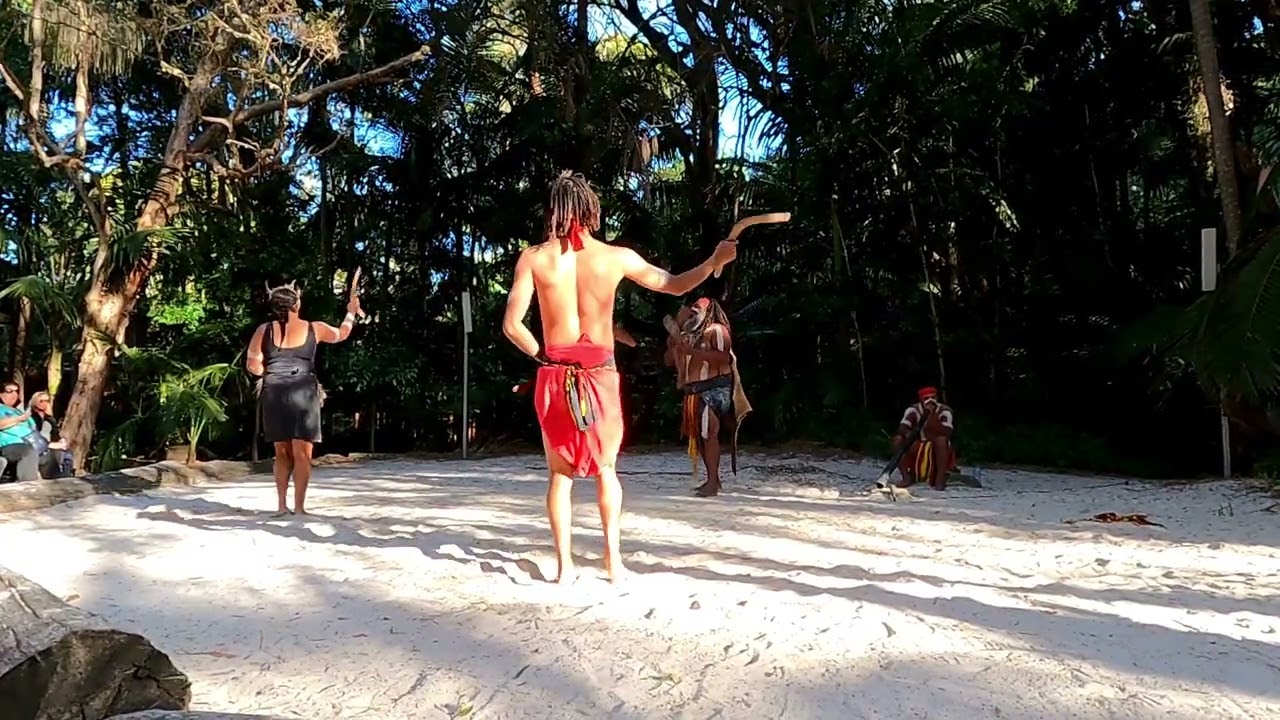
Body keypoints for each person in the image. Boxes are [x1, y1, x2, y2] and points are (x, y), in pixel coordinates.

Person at [502, 170, 737, 584]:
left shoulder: (534, 258)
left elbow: (512, 327)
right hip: (600, 375)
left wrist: (544, 357)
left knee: (560, 474)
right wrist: (714, 262)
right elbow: (674, 283)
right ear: (591, 209)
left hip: (556, 375)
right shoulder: (616, 257)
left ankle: (565, 568)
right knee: (606, 468)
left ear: (553, 211)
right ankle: (613, 562)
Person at [245, 280, 362, 516]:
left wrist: (269, 371)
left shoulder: (263, 330)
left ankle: (281, 506)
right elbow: (342, 333)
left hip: (274, 392)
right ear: (296, 304)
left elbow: (253, 364)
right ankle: (299, 507)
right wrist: (350, 312)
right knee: (302, 453)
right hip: (303, 392)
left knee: (281, 452)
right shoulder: (314, 328)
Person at [671, 297, 750, 497]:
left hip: (715, 388)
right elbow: (667, 360)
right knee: (703, 435)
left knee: (709, 433)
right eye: (691, 307)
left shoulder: (716, 330)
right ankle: (712, 479)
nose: (693, 310)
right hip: (695, 391)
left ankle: (713, 483)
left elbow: (725, 358)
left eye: (698, 308)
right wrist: (675, 342)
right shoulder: (687, 335)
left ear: (709, 310)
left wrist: (693, 352)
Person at [892, 386, 956, 489]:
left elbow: (947, 432)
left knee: (941, 440)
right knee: (897, 440)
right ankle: (906, 477)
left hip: (937, 446)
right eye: (926, 398)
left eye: (933, 398)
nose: (930, 401)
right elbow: (902, 427)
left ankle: (940, 479)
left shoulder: (944, 410)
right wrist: (908, 434)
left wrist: (932, 416)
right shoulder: (913, 410)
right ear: (921, 399)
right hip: (918, 444)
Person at [0, 382, 41, 483]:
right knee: (27, 451)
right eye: (10, 391)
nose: (14, 394)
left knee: (58, 454)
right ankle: (28, 488)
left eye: (16, 391)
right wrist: (19, 419)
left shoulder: (19, 411)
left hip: (32, 443)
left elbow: (34, 432)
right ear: (1, 394)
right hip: (9, 446)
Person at [28, 391, 71, 478]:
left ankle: (65, 476)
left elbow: (55, 433)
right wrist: (51, 445)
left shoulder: (49, 418)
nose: (44, 403)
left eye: (47, 401)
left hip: (51, 444)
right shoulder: (30, 417)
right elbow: (34, 436)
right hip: (39, 447)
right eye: (41, 401)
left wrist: (61, 441)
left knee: (67, 454)